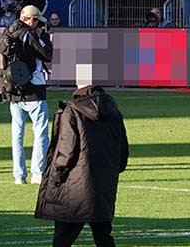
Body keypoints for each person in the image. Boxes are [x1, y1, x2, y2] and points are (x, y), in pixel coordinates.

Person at [35, 65, 129, 247]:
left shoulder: (72, 111)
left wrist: (56, 176)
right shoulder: (114, 113)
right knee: (103, 237)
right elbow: (122, 151)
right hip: (103, 184)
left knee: (63, 238)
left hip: (75, 187)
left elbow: (66, 150)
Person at [2, 5, 54, 184]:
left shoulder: (8, 32)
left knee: (17, 134)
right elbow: (47, 55)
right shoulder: (29, 34)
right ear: (32, 20)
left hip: (13, 90)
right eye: (38, 21)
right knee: (40, 133)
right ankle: (38, 174)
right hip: (33, 89)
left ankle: (19, 175)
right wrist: (44, 37)